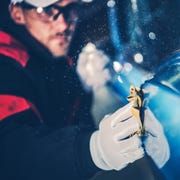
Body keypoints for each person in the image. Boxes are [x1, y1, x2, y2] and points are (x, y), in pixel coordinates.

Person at [0, 0, 169, 180]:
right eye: (48, 11)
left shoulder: (55, 51)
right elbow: (9, 151)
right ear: (17, 13)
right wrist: (94, 149)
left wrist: (80, 87)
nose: (64, 24)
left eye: (71, 8)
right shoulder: (5, 64)